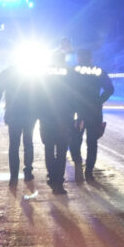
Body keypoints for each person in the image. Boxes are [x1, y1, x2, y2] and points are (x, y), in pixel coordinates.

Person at [69, 48, 114, 182]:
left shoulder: (72, 71)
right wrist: (99, 100)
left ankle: (77, 163)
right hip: (94, 111)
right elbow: (110, 89)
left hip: (78, 111)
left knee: (75, 140)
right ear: (90, 58)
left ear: (78, 58)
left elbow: (64, 90)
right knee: (92, 142)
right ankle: (89, 172)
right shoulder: (98, 71)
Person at [0, 64, 39, 186]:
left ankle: (14, 176)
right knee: (28, 142)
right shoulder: (32, 71)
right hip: (30, 112)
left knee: (14, 144)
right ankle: (28, 172)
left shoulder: (7, 72)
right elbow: (41, 92)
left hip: (13, 112)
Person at [38, 50, 74, 195]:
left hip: (46, 117)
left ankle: (52, 177)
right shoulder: (70, 73)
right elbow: (75, 95)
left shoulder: (43, 73)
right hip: (64, 118)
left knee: (49, 148)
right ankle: (58, 182)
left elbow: (36, 93)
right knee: (61, 152)